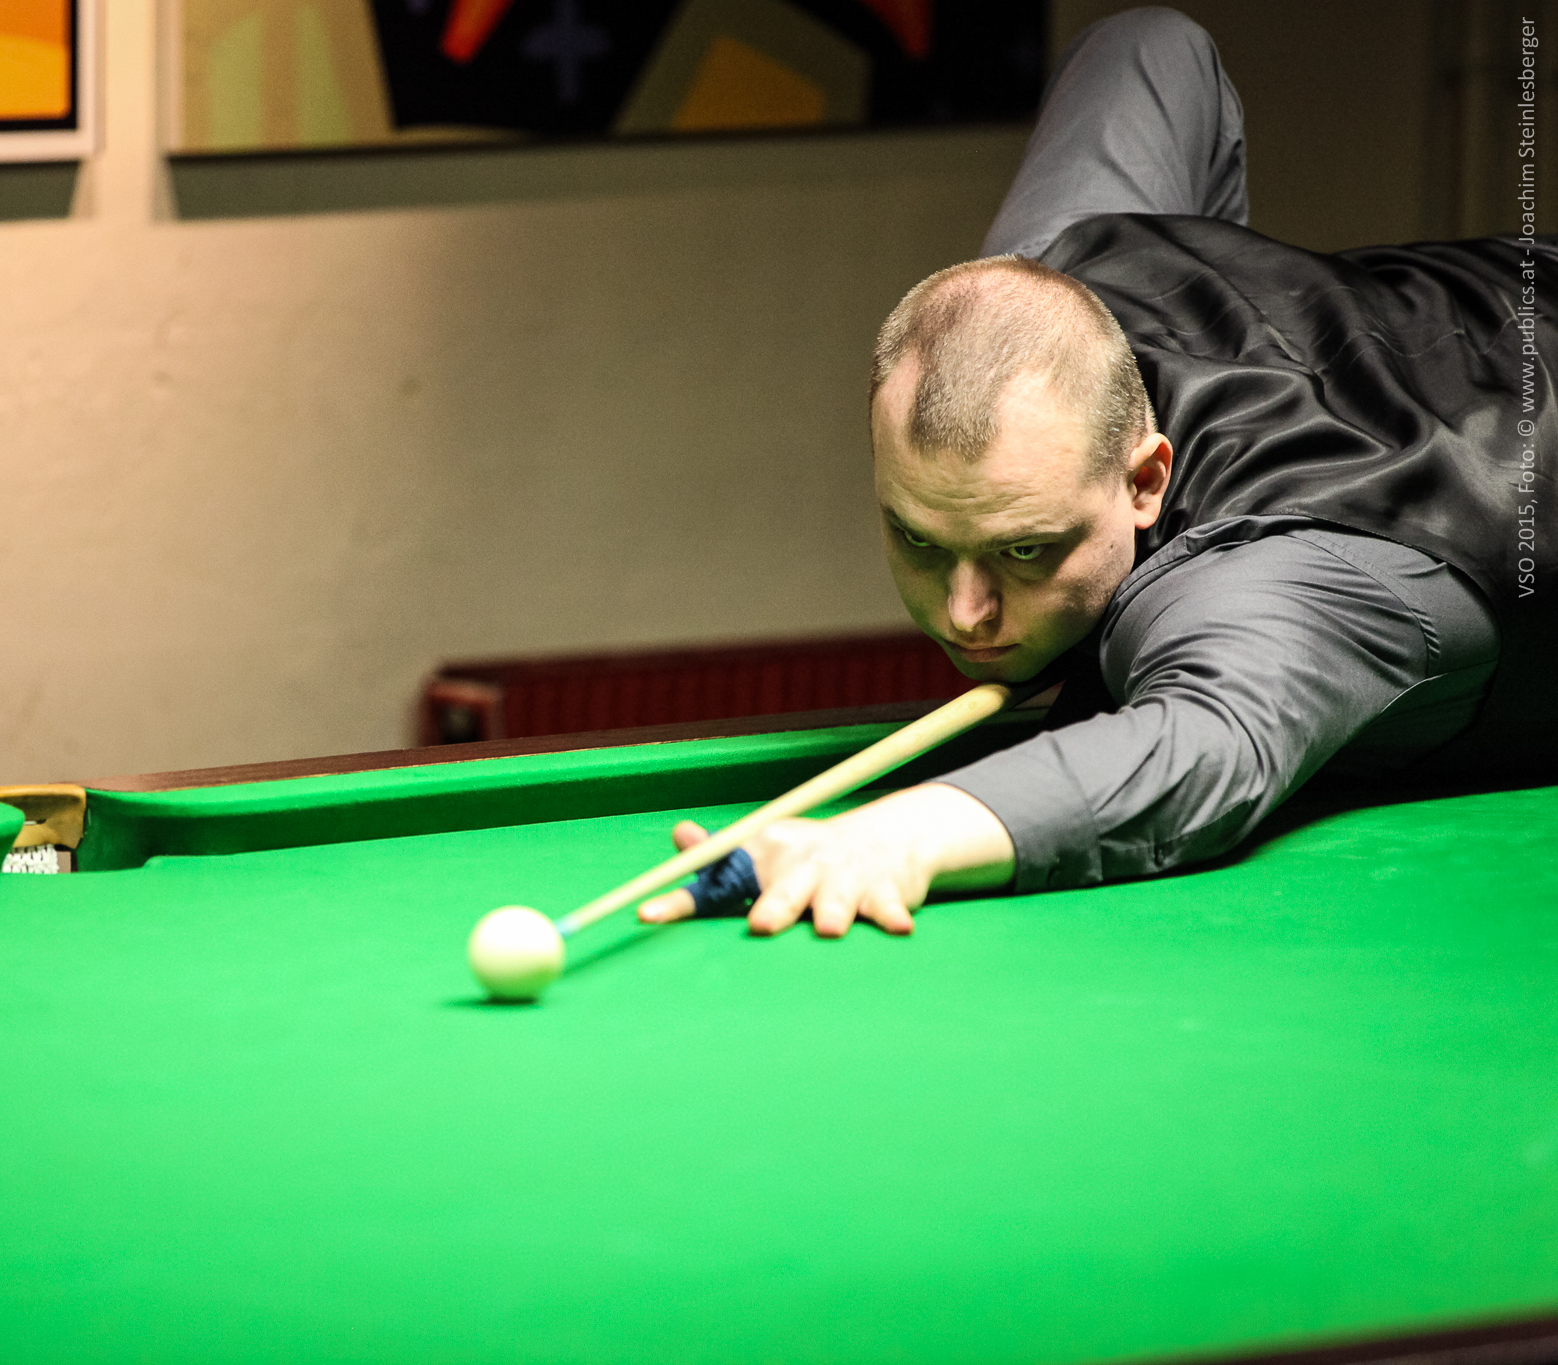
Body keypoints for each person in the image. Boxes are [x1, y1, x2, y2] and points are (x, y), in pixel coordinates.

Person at [641, 6, 1556, 938]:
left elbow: (1206, 747)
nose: (965, 612)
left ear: (1147, 481)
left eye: (1024, 550)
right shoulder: (1056, 274)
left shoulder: (1281, 573)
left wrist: (896, 835)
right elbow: (1152, 46)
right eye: (918, 539)